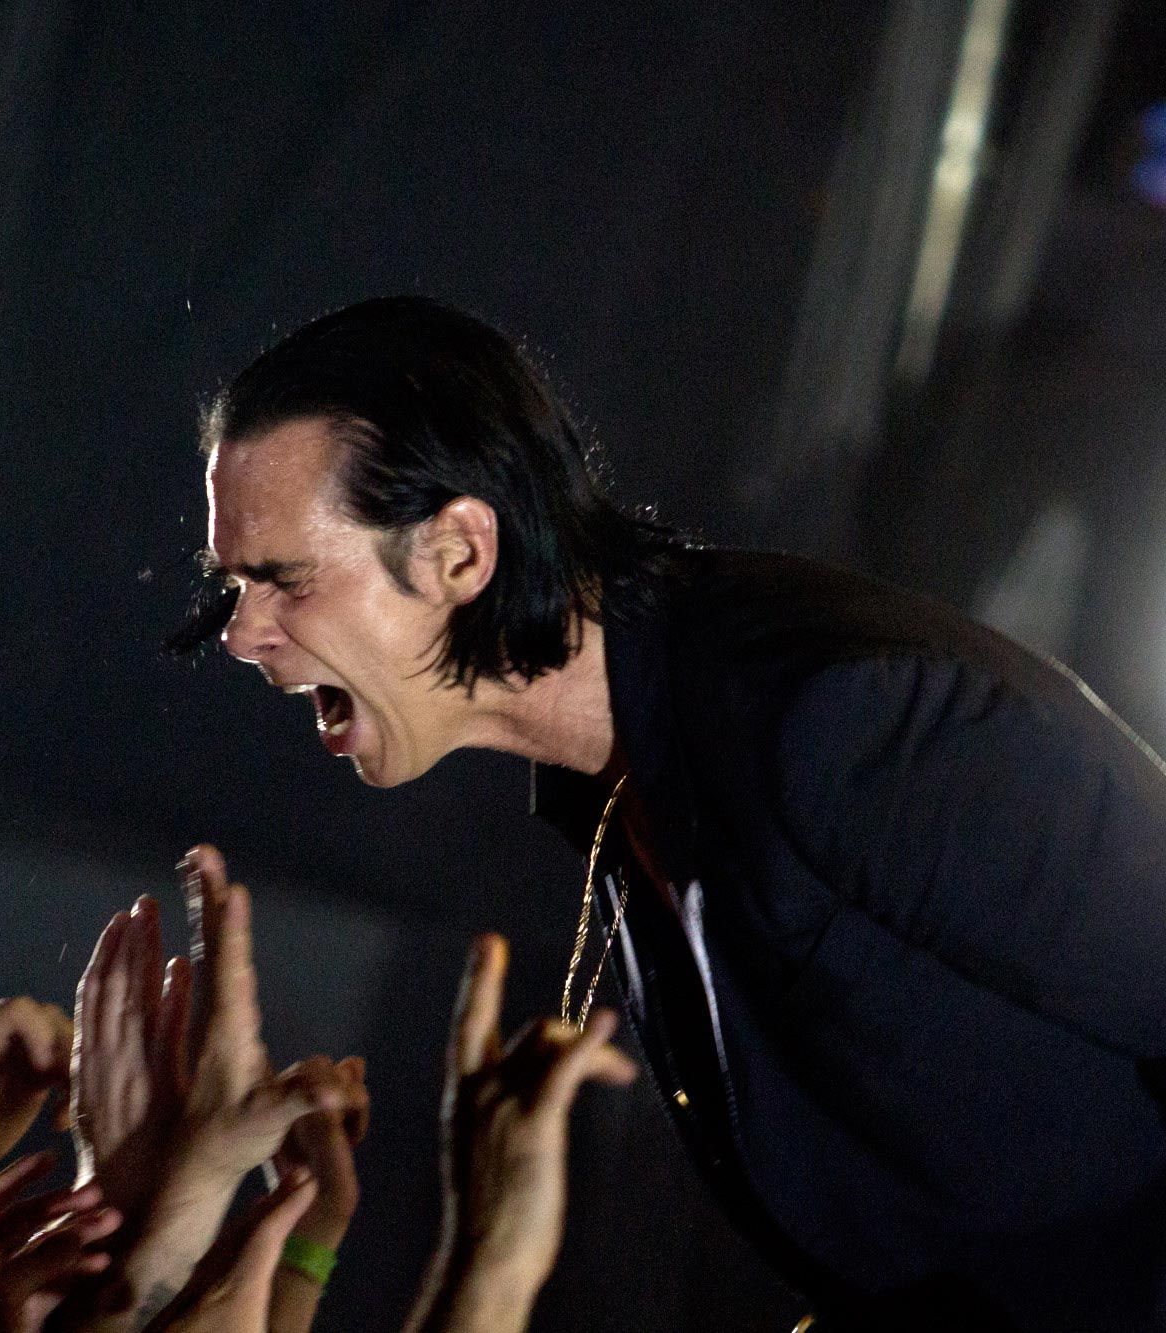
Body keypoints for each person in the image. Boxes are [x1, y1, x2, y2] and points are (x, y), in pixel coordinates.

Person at [184, 295, 1166, 1331]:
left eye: (279, 580)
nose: (242, 634)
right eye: (232, 586)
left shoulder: (824, 715)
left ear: (459, 554)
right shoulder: (628, 787)